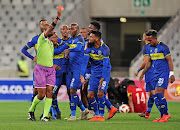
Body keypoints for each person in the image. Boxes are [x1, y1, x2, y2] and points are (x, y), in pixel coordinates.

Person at [27, 8, 63, 122]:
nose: (49, 28)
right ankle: (31, 110)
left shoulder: (50, 43)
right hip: (40, 70)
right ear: (45, 30)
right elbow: (51, 28)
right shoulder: (42, 39)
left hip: (50, 70)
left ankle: (45, 116)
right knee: (41, 95)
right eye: (47, 27)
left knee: (50, 93)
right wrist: (57, 17)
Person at [54, 23, 89, 121]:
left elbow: (78, 49)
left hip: (78, 69)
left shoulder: (80, 39)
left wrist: (68, 50)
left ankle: (73, 115)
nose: (70, 30)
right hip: (71, 70)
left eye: (72, 29)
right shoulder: (70, 40)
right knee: (70, 91)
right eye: (69, 29)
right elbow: (61, 49)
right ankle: (83, 110)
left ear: (76, 30)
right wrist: (50, 52)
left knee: (73, 90)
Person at [80, 31, 118, 121]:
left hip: (104, 73)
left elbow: (105, 65)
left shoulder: (105, 49)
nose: (89, 39)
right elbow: (84, 62)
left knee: (100, 93)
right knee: (90, 95)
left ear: (96, 39)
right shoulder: (89, 48)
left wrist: (103, 78)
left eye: (91, 37)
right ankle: (96, 115)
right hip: (94, 73)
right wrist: (82, 75)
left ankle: (101, 116)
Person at [139, 29, 175, 122]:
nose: (148, 42)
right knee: (159, 96)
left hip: (163, 73)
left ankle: (166, 114)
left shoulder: (163, 47)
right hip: (155, 74)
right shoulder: (149, 48)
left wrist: (171, 74)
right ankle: (163, 116)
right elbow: (149, 62)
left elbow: (169, 60)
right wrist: (143, 73)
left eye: (150, 40)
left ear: (155, 39)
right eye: (147, 40)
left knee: (158, 93)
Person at [21, 20, 47, 103]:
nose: (44, 26)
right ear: (40, 27)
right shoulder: (35, 39)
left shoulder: (51, 38)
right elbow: (23, 50)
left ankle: (51, 113)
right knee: (35, 91)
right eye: (42, 24)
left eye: (46, 24)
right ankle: (31, 111)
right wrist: (32, 58)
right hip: (39, 68)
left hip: (50, 68)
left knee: (50, 92)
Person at [135, 32, 156, 119]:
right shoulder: (154, 46)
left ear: (145, 38)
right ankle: (148, 112)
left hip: (150, 72)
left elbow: (146, 61)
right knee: (151, 94)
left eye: (143, 36)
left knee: (154, 93)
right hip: (156, 70)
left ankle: (164, 114)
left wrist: (139, 70)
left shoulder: (146, 47)